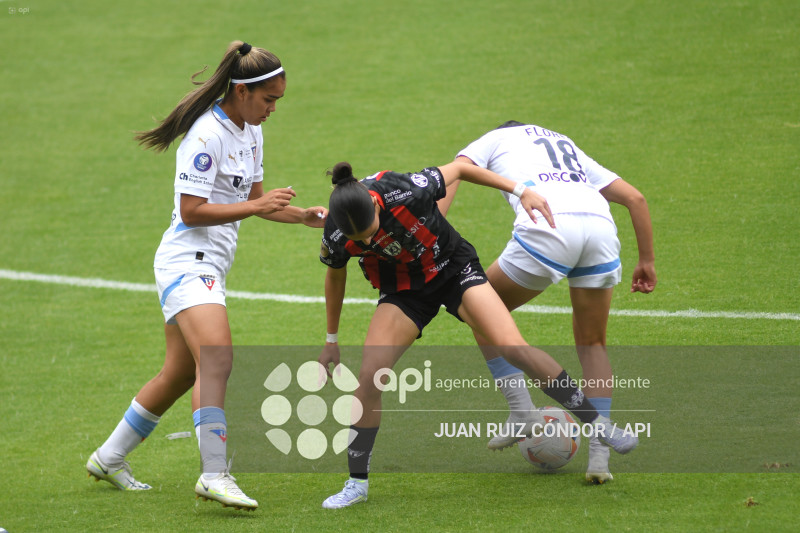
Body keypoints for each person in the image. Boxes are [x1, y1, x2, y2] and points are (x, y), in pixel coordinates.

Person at [85, 41, 327, 511]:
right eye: (268, 100)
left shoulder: (250, 131)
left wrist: (299, 216)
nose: (273, 109)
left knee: (180, 372)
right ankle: (215, 473)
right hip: (186, 263)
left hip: (209, 265)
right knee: (216, 359)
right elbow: (192, 212)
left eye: (278, 100)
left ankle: (108, 457)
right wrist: (256, 206)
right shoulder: (205, 137)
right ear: (241, 91)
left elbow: (252, 199)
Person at [317, 159, 639, 509]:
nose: (367, 240)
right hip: (404, 292)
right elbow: (335, 276)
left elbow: (461, 169)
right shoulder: (335, 231)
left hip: (454, 270)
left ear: (376, 206)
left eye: (370, 231)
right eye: (359, 239)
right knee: (369, 377)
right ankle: (356, 484)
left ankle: (599, 425)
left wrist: (521, 190)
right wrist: (331, 340)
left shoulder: (404, 188)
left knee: (513, 347)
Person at [441, 120, 656, 484]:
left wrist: (437, 226)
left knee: (476, 305)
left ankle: (521, 410)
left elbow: (454, 173)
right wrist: (646, 261)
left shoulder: (495, 138)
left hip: (549, 227)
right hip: (601, 232)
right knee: (593, 344)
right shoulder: (564, 142)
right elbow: (635, 198)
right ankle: (600, 459)